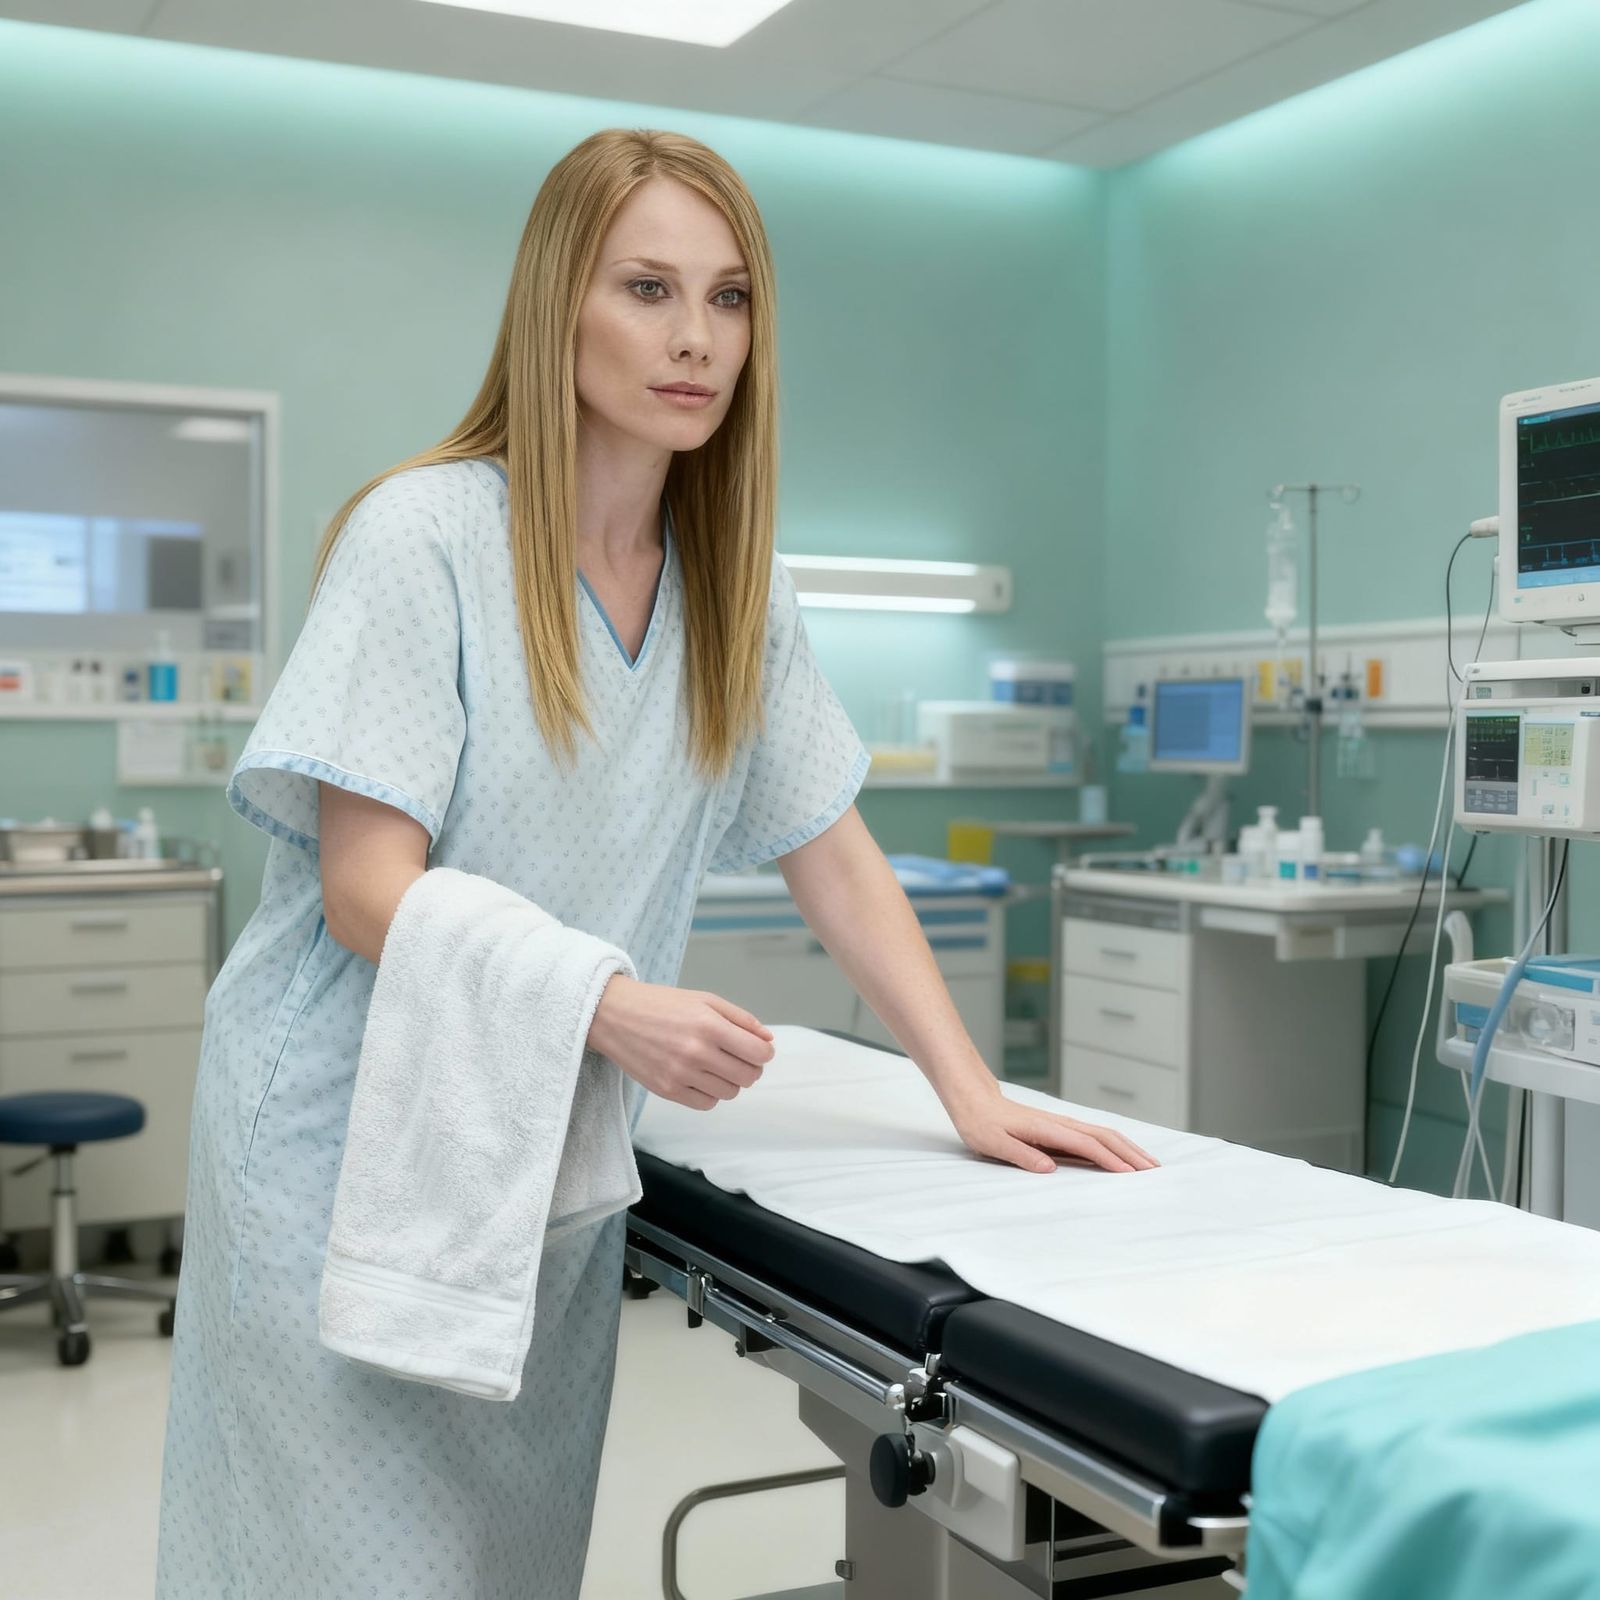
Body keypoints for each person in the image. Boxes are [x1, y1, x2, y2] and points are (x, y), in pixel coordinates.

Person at [154, 127, 1155, 1600]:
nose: (696, 339)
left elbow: (836, 854)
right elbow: (367, 889)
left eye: (730, 298)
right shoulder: (421, 536)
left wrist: (971, 1089)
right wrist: (608, 1005)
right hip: (335, 1147)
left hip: (536, 1140)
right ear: (558, 306)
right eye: (646, 289)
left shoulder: (734, 593)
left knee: (504, 1555)